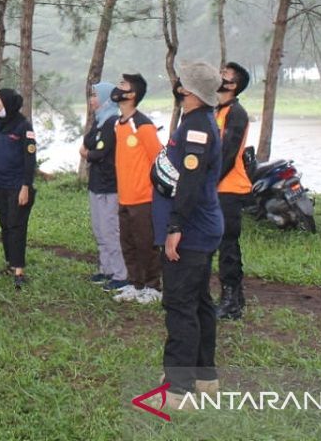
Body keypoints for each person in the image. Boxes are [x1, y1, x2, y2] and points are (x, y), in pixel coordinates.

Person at [152, 61, 225, 407]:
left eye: (182, 83)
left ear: (191, 91)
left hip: (192, 229)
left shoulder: (196, 127)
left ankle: (177, 388)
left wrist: (175, 226)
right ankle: (204, 376)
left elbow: (191, 182)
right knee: (198, 302)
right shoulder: (197, 121)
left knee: (180, 305)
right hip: (203, 225)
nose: (178, 85)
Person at [112, 73, 164, 305]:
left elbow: (159, 159)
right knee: (128, 243)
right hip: (124, 197)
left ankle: (153, 286)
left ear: (132, 94)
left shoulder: (143, 125)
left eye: (122, 85)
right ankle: (135, 283)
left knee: (146, 244)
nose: (117, 88)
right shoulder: (119, 124)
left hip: (144, 197)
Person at [0, 88, 36, 290]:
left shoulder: (24, 126)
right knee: (5, 225)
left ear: (8, 103)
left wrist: (26, 186)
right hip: (0, 185)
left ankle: (19, 270)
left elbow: (29, 159)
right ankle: (10, 263)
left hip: (18, 185)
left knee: (17, 226)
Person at [80, 81, 127, 292]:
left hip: (110, 185)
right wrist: (90, 151)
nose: (92, 100)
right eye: (91, 96)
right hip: (96, 183)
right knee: (99, 229)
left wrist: (88, 153)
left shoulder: (113, 122)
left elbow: (98, 152)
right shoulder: (99, 121)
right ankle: (105, 269)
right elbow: (88, 141)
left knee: (110, 230)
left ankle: (120, 274)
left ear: (107, 98)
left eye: (95, 96)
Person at [215, 62, 252, 321]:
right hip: (217, 186)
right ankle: (236, 296)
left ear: (234, 85)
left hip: (228, 187)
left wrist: (208, 183)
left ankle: (231, 300)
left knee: (227, 244)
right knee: (223, 243)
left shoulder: (236, 113)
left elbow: (228, 154)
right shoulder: (219, 110)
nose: (220, 77)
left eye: (225, 75)